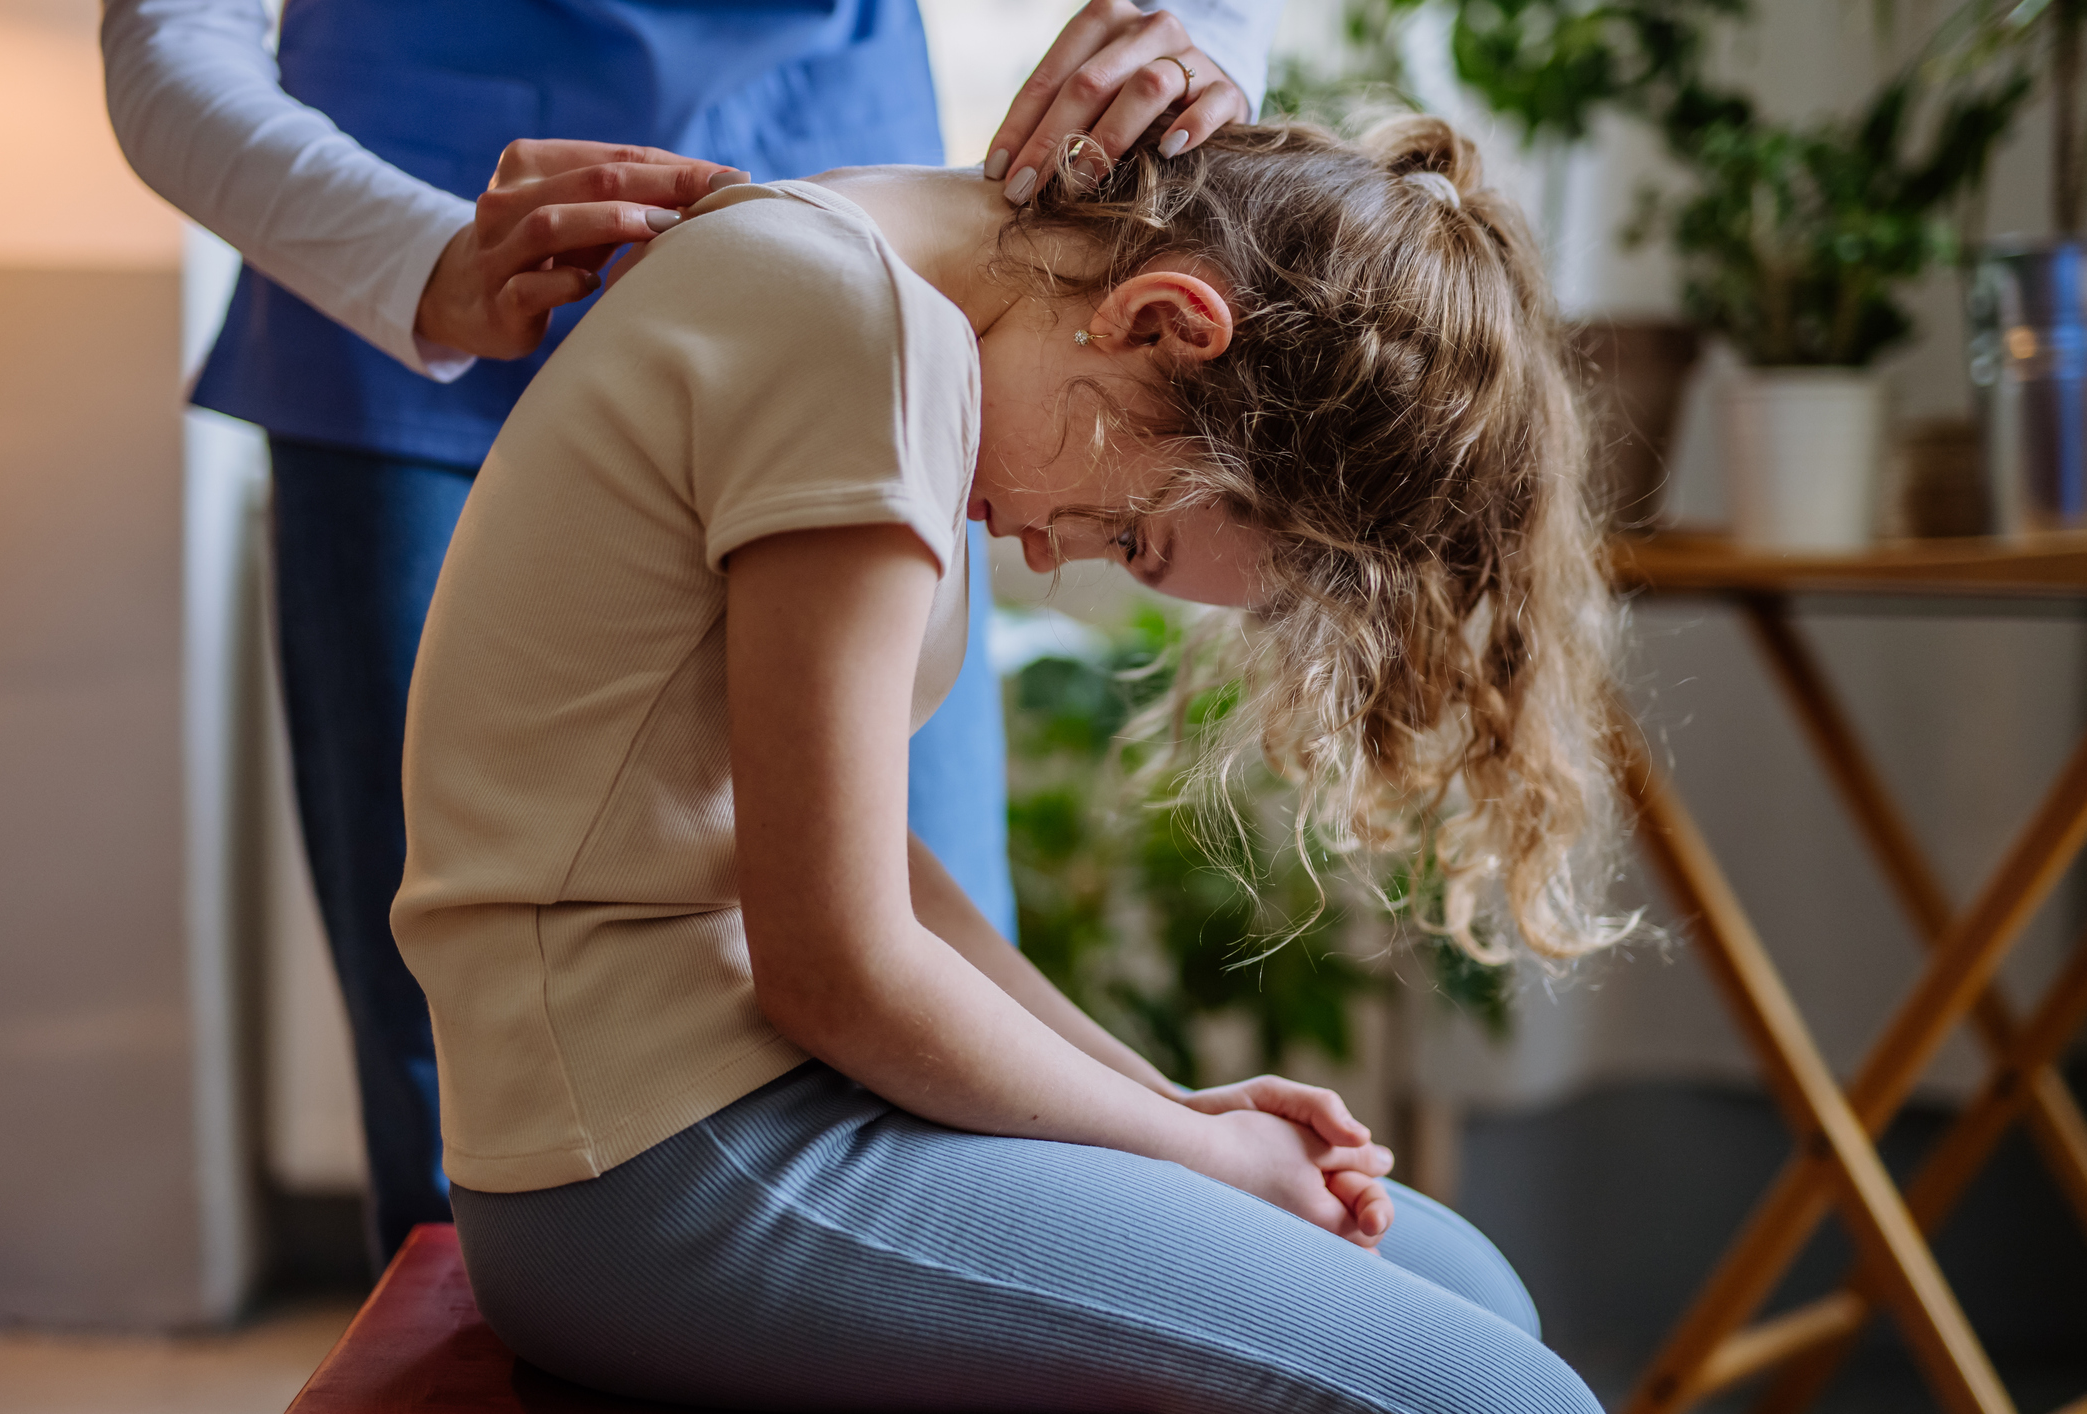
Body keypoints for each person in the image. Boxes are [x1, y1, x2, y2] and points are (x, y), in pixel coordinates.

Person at [391, 114, 1624, 1409]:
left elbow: (863, 869)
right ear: (1161, 322)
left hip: (760, 1096)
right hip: (654, 1164)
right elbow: (837, 970)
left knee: (1471, 1287)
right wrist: (1200, 1159)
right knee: (1497, 1397)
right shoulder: (852, 335)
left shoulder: (877, 304)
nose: (1045, 552)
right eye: (1126, 530)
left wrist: (1176, 1106)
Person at [101, 0, 1283, 1266]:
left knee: (955, 1038)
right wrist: (415, 256)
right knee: (459, 1078)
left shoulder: (914, 339)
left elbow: (886, 945)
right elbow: (166, 37)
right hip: (412, 259)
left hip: (902, 266)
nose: (1053, 556)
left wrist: (1201, 35)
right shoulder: (838, 319)